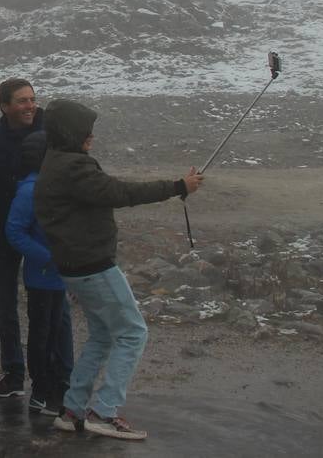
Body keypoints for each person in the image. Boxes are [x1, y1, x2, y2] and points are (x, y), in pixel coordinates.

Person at [34, 99, 204, 442]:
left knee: (102, 335)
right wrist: (177, 187)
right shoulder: (73, 168)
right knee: (133, 333)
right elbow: (121, 192)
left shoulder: (57, 162)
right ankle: (104, 412)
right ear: (71, 133)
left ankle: (72, 410)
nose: (91, 137)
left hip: (76, 267)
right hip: (94, 267)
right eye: (86, 131)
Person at [0, 78, 45, 400]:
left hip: (41, 233)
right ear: (5, 106)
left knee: (43, 304)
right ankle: (14, 372)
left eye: (32, 99)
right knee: (5, 304)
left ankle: (45, 377)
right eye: (22, 101)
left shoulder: (48, 132)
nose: (29, 106)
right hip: (3, 233)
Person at [5, 130, 73, 417]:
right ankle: (40, 392)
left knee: (54, 331)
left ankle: (54, 386)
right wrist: (48, 257)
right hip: (42, 275)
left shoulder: (48, 186)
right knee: (41, 334)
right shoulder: (30, 190)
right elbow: (14, 231)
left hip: (56, 276)